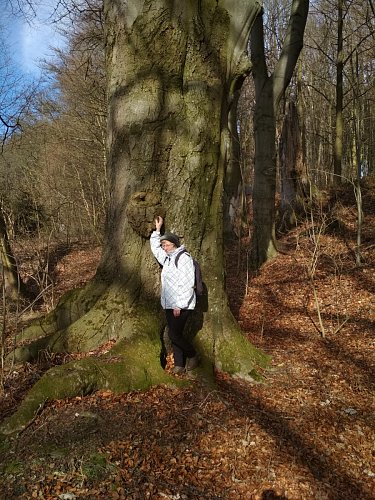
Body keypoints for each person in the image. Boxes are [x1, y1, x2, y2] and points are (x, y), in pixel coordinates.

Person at [150, 216, 199, 374]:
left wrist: (179, 304)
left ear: (175, 244)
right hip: (170, 304)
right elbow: (156, 250)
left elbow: (187, 283)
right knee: (175, 334)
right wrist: (157, 230)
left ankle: (193, 355)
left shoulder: (183, 258)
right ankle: (179, 364)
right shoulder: (169, 259)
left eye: (167, 244)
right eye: (163, 244)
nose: (164, 247)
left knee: (174, 334)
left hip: (182, 305)